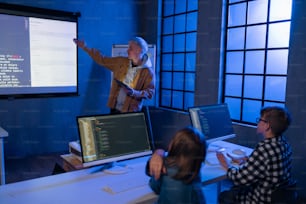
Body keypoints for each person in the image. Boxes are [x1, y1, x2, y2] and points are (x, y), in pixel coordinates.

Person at [216, 106, 294, 204]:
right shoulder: (284, 143)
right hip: (277, 197)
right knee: (234, 189)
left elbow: (240, 179)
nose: (258, 122)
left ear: (267, 125)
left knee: (225, 195)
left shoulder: (264, 148)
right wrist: (247, 160)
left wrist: (226, 165)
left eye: (260, 119)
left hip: (260, 199)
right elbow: (269, 164)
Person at [73, 37, 155, 113]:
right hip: (114, 108)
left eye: (130, 48)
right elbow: (102, 59)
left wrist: (133, 92)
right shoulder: (121, 62)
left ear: (139, 50)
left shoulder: (148, 72)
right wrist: (85, 47)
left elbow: (150, 93)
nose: (127, 50)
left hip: (130, 112)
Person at [146, 126, 207, 204]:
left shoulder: (165, 167)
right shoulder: (195, 167)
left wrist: (158, 153)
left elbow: (155, 187)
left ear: (173, 145)